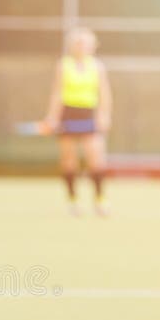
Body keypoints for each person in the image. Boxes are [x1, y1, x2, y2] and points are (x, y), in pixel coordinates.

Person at [40, 27, 112, 216]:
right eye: (78, 43)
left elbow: (104, 93)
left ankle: (100, 200)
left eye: (85, 43)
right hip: (68, 115)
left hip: (89, 115)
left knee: (96, 159)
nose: (81, 46)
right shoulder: (63, 65)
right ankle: (73, 201)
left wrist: (104, 115)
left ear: (93, 46)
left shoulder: (98, 66)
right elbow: (58, 93)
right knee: (69, 160)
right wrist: (52, 117)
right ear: (72, 46)